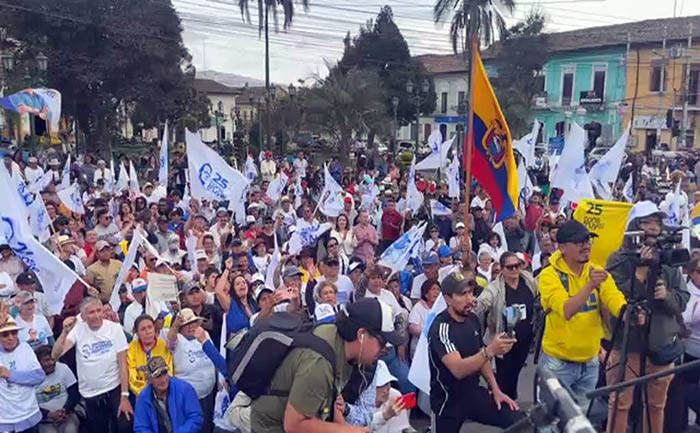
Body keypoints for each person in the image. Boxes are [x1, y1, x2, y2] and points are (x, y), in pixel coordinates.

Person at [250, 297, 406, 433]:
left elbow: (332, 398)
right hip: (272, 427)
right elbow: (294, 425)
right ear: (361, 335)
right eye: (382, 342)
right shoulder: (319, 363)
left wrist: (346, 428)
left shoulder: (339, 345)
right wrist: (346, 431)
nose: (385, 350)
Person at [605, 202, 689, 433]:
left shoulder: (669, 260)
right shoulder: (618, 260)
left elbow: (683, 299)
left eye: (657, 222)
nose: (653, 227)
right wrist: (640, 276)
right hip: (626, 345)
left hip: (660, 346)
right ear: (634, 226)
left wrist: (667, 296)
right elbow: (613, 299)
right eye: (647, 222)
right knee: (620, 404)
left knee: (656, 405)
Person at [538, 219, 627, 412]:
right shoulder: (549, 276)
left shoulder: (596, 271)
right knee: (551, 424)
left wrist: (627, 312)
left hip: (589, 364)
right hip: (557, 364)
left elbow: (613, 297)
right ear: (562, 247)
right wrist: (589, 286)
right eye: (579, 242)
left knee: (580, 421)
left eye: (588, 241)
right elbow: (566, 310)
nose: (586, 246)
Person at [427, 271, 522, 432]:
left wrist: (496, 390)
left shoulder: (473, 319)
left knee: (519, 420)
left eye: (471, 293)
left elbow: (480, 356)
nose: (470, 299)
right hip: (448, 401)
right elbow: (458, 369)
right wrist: (490, 350)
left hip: (473, 393)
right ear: (448, 299)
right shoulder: (441, 328)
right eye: (463, 294)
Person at [51, 297, 133, 433]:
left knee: (124, 427)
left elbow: (123, 364)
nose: (96, 315)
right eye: (91, 312)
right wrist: (64, 332)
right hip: (91, 394)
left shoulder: (115, 329)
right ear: (83, 316)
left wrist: (124, 396)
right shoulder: (77, 330)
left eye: (99, 310)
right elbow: (55, 355)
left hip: (114, 389)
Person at [473, 252, 537, 399]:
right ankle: (504, 402)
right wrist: (471, 305)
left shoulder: (528, 280)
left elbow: (539, 291)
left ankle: (509, 398)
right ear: (502, 269)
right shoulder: (495, 288)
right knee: (505, 373)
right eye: (510, 267)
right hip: (504, 338)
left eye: (518, 265)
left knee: (516, 369)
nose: (515, 270)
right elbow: (482, 303)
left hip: (526, 336)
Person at [167, 308, 216, 433]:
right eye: (186, 325)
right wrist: (175, 326)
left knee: (207, 427)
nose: (190, 327)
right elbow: (170, 341)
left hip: (209, 394)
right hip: (188, 399)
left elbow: (214, 356)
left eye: (192, 323)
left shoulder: (204, 335)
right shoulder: (178, 339)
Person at [0, 314, 46, 433]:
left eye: (14, 333)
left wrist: (10, 375)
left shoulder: (25, 348)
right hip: (5, 421)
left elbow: (39, 376)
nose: (11, 337)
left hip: (29, 415)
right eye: (5, 334)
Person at [133, 356, 204, 433]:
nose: (163, 380)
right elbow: (141, 428)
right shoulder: (143, 398)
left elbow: (195, 417)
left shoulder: (185, 389)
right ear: (149, 380)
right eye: (158, 376)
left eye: (165, 373)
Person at [33, 345, 80, 433]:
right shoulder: (31, 376)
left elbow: (74, 393)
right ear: (38, 362)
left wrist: (65, 410)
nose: (51, 362)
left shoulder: (63, 368)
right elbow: (30, 404)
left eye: (53, 359)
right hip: (44, 420)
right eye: (47, 360)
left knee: (70, 430)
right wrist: (48, 414)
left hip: (67, 415)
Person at [127, 315, 173, 397]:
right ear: (137, 333)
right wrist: (144, 392)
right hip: (139, 395)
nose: (148, 332)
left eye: (150, 327)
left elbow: (169, 371)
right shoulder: (132, 348)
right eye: (143, 329)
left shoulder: (163, 345)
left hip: (163, 392)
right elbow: (131, 375)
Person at [408, 279, 440, 358]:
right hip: (420, 348)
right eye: (433, 289)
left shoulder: (443, 308)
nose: (437, 292)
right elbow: (412, 327)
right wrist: (429, 333)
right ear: (426, 294)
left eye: (438, 290)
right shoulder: (419, 307)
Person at [85, 240, 123, 304]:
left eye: (107, 250)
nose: (106, 253)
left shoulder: (118, 264)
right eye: (102, 251)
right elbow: (90, 288)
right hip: (103, 303)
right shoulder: (91, 269)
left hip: (119, 300)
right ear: (96, 254)